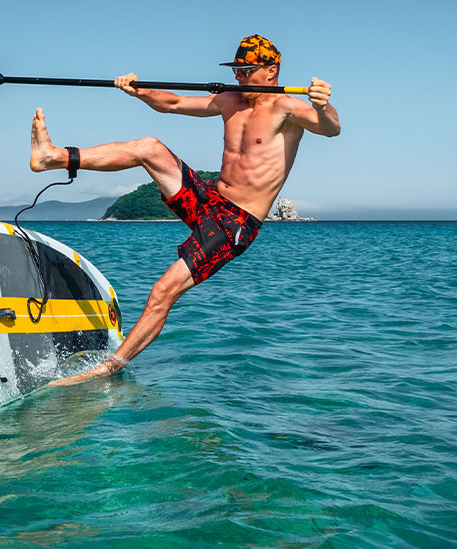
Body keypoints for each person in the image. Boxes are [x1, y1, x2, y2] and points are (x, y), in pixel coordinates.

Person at [34, 34, 341, 386]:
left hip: (235, 224)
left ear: (272, 71)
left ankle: (107, 369)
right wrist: (138, 90)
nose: (239, 76)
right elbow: (174, 103)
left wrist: (322, 105)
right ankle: (54, 157)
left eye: (247, 70)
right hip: (209, 200)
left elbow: (331, 129)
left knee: (163, 291)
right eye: (237, 69)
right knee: (149, 147)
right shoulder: (230, 100)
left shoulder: (288, 109)